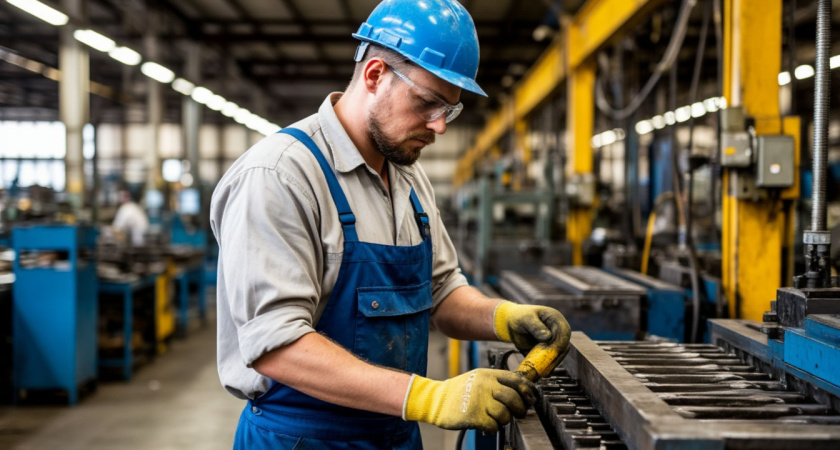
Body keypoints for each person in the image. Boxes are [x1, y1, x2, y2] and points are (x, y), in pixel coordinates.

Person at [210, 0, 570, 448]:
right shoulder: (279, 176)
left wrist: (502, 317)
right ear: (375, 74)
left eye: (449, 110)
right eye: (428, 103)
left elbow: (440, 291)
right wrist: (430, 397)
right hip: (302, 438)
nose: (439, 126)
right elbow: (276, 346)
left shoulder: (409, 177)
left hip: (394, 433)